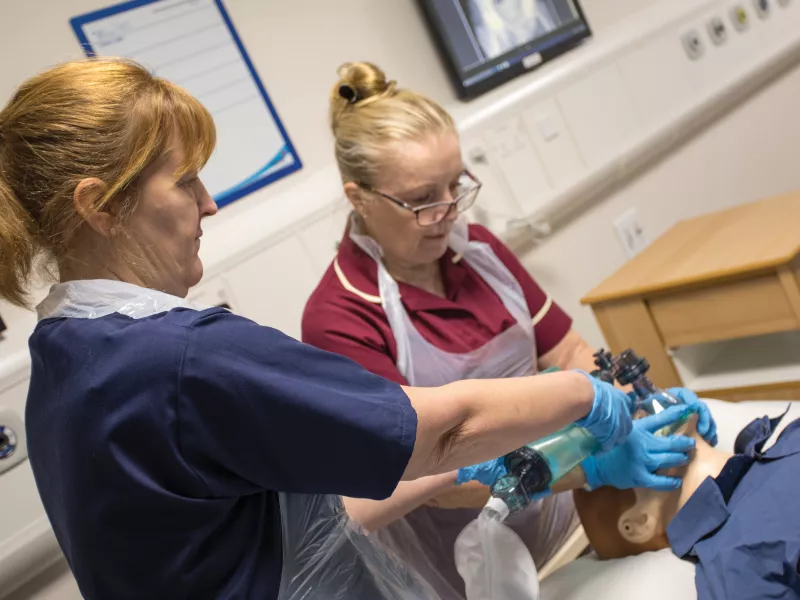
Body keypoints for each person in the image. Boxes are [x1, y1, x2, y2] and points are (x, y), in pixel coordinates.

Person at [0, 59, 637, 600]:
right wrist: (584, 398)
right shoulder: (186, 358)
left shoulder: (66, 360)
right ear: (100, 206)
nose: (209, 204)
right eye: (186, 180)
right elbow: (433, 437)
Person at [301, 61, 715, 599]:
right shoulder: (340, 318)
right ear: (359, 198)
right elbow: (428, 479)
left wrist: (643, 404)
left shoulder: (481, 254)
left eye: (456, 185)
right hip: (476, 563)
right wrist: (590, 465)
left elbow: (571, 352)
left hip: (575, 512)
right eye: (423, 200)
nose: (449, 212)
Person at [573, 401, 800, 599]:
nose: (640, 413)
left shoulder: (788, 437)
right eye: (613, 440)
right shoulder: (738, 572)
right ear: (639, 523)